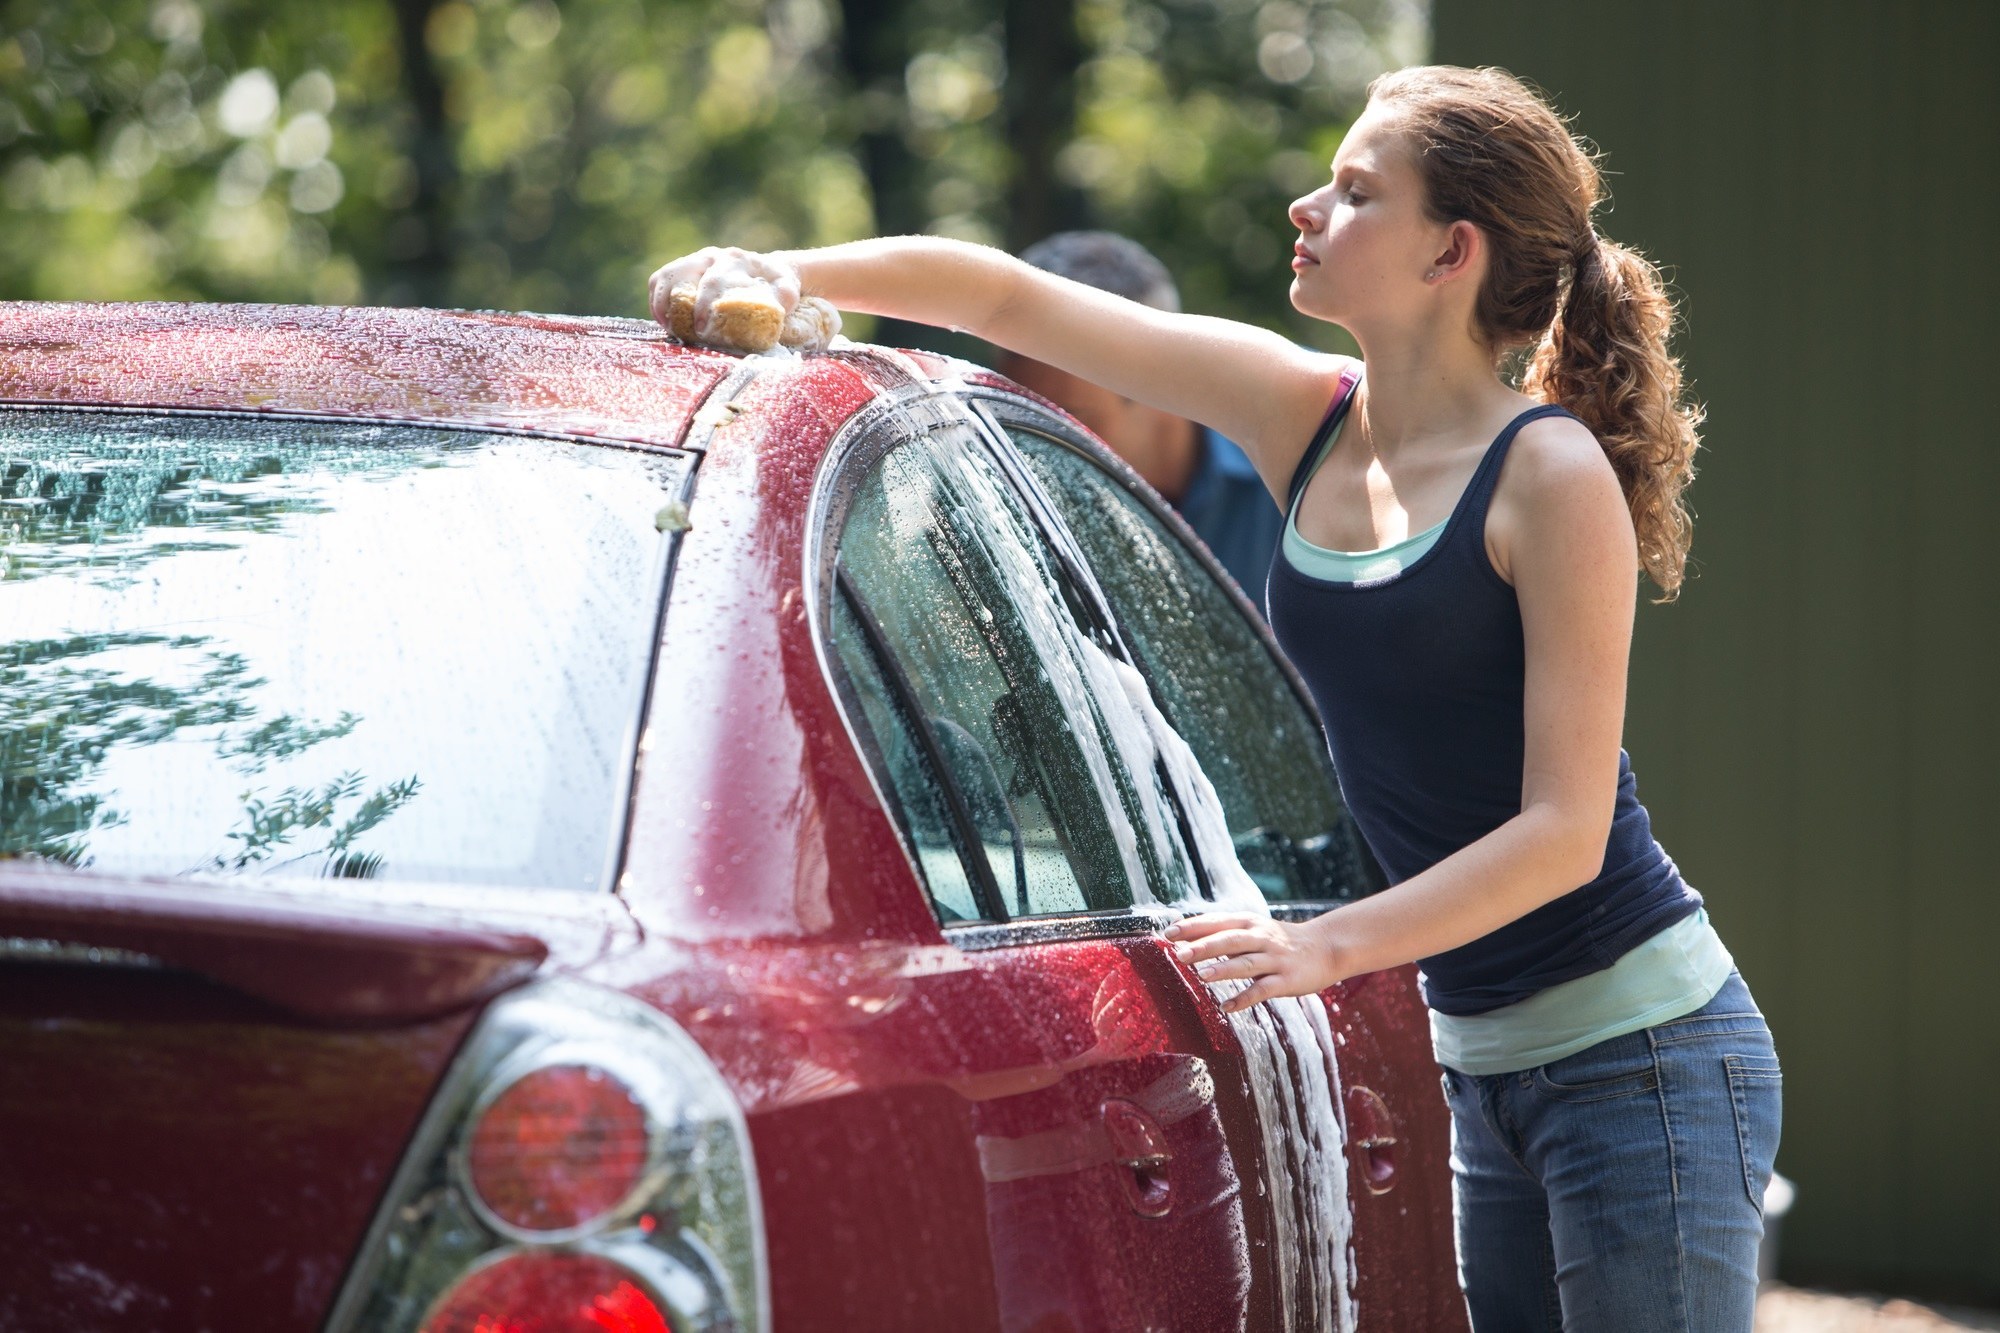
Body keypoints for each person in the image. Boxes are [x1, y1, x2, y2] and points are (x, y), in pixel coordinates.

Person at [647, 63, 1781, 1333]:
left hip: (1637, 1056)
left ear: (1448, 252)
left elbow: (1563, 834)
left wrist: (1324, 946)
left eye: (1355, 192)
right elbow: (1001, 292)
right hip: (1483, 1062)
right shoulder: (1303, 416)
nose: (1306, 206)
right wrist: (767, 266)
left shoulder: (1546, 473)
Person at [997, 231, 1283, 597]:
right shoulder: (1013, 508)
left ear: (1162, 383)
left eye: (1069, 423)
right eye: (1015, 421)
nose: (1033, 457)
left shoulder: (1308, 452)